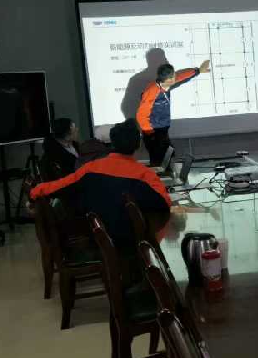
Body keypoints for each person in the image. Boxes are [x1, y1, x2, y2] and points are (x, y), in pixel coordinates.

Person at [31, 119, 171, 253]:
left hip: (97, 237)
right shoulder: (146, 174)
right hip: (133, 240)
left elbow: (60, 185)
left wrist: (34, 193)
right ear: (138, 144)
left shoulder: (90, 168)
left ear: (112, 143)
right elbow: (165, 204)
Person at [137, 60, 211, 166]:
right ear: (168, 79)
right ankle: (159, 175)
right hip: (153, 132)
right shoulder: (152, 91)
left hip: (162, 129)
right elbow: (141, 115)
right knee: (159, 160)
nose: (176, 77)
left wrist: (198, 70)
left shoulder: (165, 83)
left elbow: (181, 76)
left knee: (168, 155)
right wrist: (151, 134)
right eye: (173, 76)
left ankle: (167, 174)